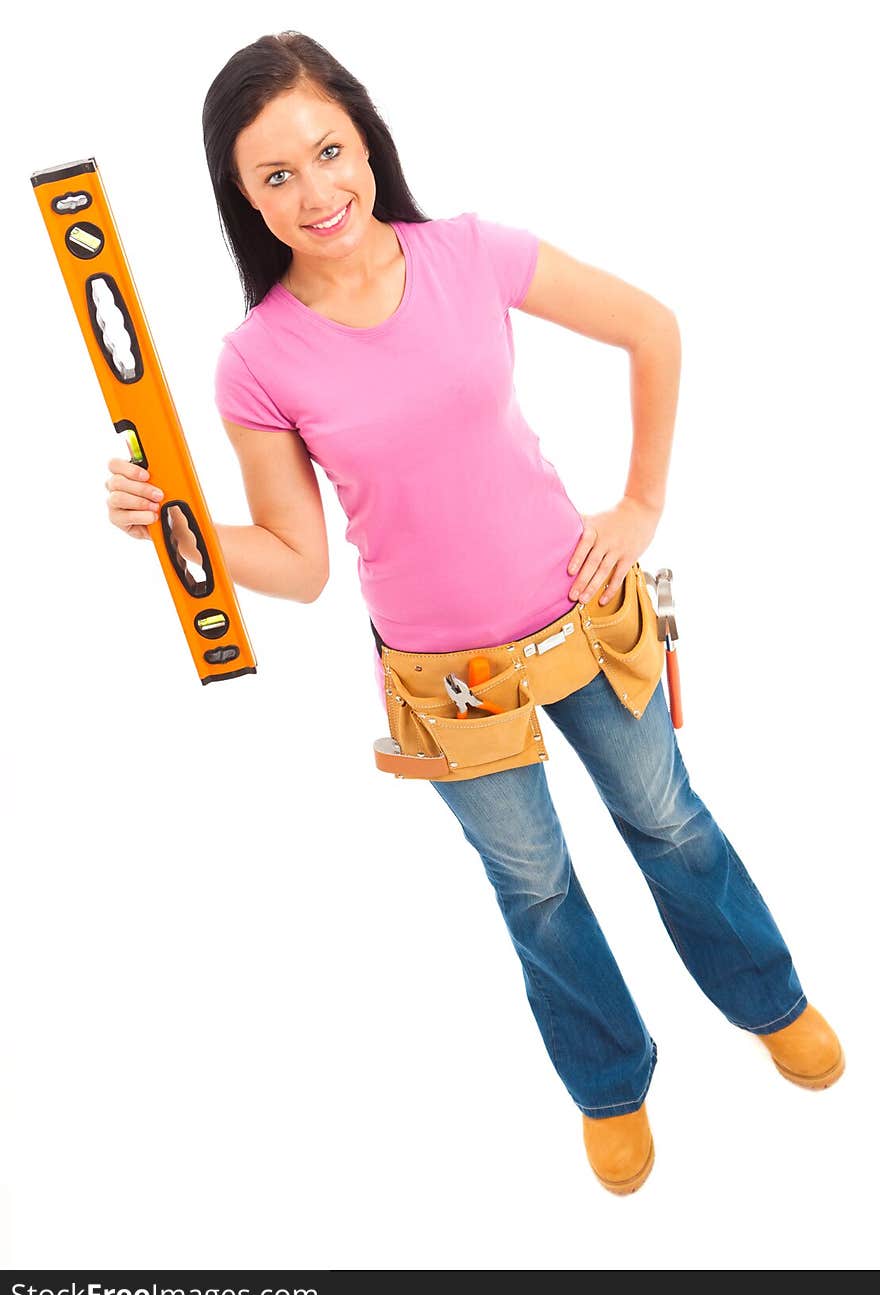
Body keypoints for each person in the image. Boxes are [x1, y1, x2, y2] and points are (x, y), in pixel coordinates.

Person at [104, 30, 844, 1195]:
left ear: (364, 135)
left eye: (328, 151)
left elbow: (652, 325)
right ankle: (610, 1084)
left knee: (669, 820)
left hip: (585, 611)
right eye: (275, 176)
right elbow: (298, 565)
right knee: (535, 887)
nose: (316, 191)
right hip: (445, 681)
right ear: (241, 196)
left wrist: (640, 502)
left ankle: (770, 998)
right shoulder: (256, 360)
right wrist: (174, 522)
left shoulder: (468, 253)